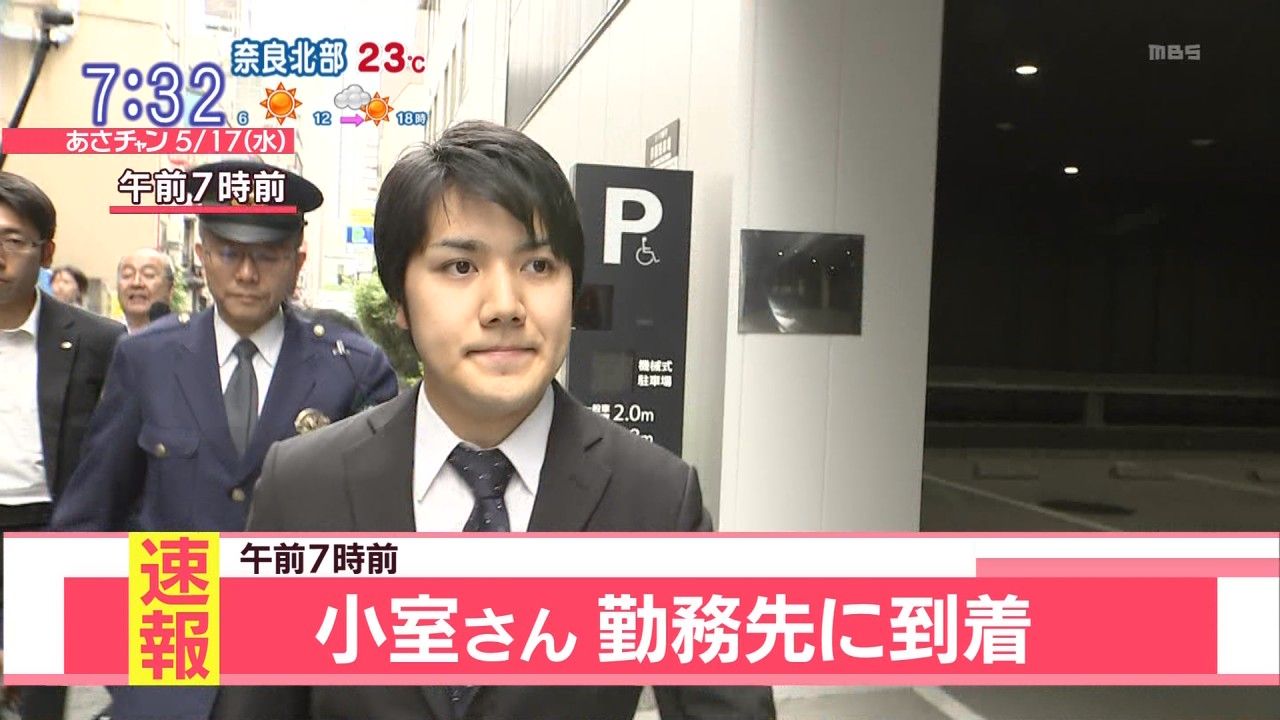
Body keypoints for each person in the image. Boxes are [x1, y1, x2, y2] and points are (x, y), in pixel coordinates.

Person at [212, 122, 776, 720]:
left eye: (538, 266)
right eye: (460, 266)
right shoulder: (304, 486)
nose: (505, 306)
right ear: (400, 299)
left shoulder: (657, 499)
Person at [49, 160, 400, 720]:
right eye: (230, 252)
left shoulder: (352, 369)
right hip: (167, 664)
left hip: (300, 665)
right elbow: (90, 516)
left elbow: (387, 533)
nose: (247, 273)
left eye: (268, 255)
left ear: (297, 260)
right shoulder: (146, 359)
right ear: (202, 254)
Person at [0, 172, 125, 720]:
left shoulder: (98, 341)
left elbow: (113, 460)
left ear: (46, 252)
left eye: (13, 240)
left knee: (39, 699)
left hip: (50, 535)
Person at [116, 248, 174, 333]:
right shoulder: (105, 336)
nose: (136, 283)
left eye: (148, 275)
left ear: (170, 289)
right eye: (127, 275)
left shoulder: (183, 336)